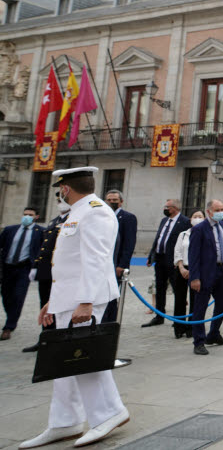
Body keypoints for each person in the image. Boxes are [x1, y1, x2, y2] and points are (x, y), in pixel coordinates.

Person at [20, 167, 129, 448]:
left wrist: (86, 301)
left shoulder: (95, 211)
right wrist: (53, 303)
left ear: (65, 188)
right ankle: (64, 421)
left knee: (84, 357)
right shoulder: (78, 212)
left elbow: (95, 259)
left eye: (60, 189)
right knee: (64, 361)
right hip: (70, 298)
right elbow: (69, 264)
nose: (60, 193)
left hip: (87, 298)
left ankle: (109, 413)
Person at [187, 199, 223, 355]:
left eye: (222, 209)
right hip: (205, 273)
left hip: (222, 271)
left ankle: (214, 333)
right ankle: (199, 341)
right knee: (200, 307)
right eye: (217, 209)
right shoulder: (199, 229)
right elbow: (193, 255)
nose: (221, 212)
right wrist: (194, 277)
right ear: (208, 211)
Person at [23, 201, 70, 353]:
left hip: (60, 271)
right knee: (45, 304)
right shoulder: (54, 221)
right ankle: (46, 338)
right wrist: (36, 266)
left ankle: (57, 339)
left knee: (59, 306)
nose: (61, 203)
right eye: (58, 201)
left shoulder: (73, 219)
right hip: (46, 270)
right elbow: (44, 245)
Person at [143, 199, 192, 336]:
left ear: (175, 208)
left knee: (178, 289)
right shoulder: (164, 221)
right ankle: (159, 315)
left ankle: (178, 319)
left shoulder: (184, 221)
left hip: (174, 261)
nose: (165, 209)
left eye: (167, 207)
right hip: (160, 258)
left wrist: (180, 261)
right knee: (160, 287)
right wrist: (151, 255)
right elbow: (158, 238)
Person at [1, 207, 40, 340]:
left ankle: (9, 326)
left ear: (36, 216)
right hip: (7, 267)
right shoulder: (10, 230)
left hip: (24, 268)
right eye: (25, 214)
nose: (27, 217)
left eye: (30, 215)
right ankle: (10, 315)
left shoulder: (39, 232)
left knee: (18, 296)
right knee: (6, 295)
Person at [101, 190, 136, 324]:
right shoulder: (103, 216)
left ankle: (110, 322)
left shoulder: (128, 217)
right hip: (104, 263)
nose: (111, 202)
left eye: (115, 200)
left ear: (121, 201)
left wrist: (122, 264)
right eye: (109, 200)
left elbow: (129, 243)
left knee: (112, 296)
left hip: (117, 265)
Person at [173, 212, 200, 340]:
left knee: (195, 300)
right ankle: (179, 327)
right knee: (180, 299)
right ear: (190, 219)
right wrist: (181, 267)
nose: (197, 219)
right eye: (195, 216)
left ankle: (191, 327)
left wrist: (194, 270)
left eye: (200, 216)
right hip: (182, 268)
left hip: (196, 270)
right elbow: (177, 251)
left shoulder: (204, 234)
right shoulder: (183, 234)